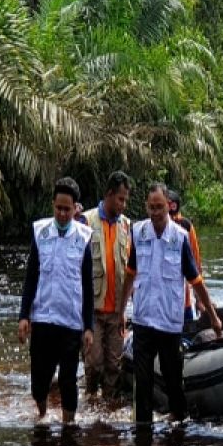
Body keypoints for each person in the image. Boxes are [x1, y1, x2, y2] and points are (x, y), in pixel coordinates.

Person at [121, 183, 222, 425]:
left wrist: (213, 315)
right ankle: (142, 433)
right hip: (144, 319)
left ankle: (179, 425)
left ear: (169, 206)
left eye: (160, 207)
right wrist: (119, 312)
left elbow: (195, 280)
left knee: (173, 379)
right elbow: (130, 274)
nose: (155, 212)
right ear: (146, 206)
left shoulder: (180, 238)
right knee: (142, 382)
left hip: (169, 322)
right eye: (151, 207)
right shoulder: (138, 232)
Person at [18, 177, 95, 424]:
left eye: (67, 209)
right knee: (38, 384)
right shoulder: (40, 232)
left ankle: (68, 427)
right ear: (53, 205)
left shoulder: (83, 237)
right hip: (42, 320)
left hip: (71, 323)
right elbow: (31, 277)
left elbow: (87, 284)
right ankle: (41, 414)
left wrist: (89, 326)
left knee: (68, 381)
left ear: (75, 209)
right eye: (58, 208)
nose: (62, 213)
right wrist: (24, 316)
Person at [83, 171, 133, 399]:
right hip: (92, 308)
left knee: (114, 366)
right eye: (120, 199)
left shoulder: (127, 226)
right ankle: (91, 401)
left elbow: (130, 271)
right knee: (94, 364)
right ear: (109, 195)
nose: (123, 204)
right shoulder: (86, 221)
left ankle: (108, 410)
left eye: (125, 200)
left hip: (116, 310)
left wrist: (125, 309)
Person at [168, 189, 204, 323]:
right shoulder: (152, 229)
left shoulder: (185, 227)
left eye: (174, 217)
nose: (170, 220)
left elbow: (196, 266)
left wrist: (199, 300)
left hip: (184, 301)